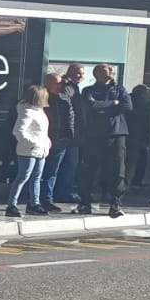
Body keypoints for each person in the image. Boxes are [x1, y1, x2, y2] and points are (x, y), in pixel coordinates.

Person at [76, 64, 132, 218]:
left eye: (112, 70)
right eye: (108, 70)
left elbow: (127, 106)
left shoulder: (119, 89)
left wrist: (102, 108)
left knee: (117, 170)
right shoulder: (88, 90)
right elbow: (90, 105)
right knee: (89, 170)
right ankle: (85, 202)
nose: (112, 72)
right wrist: (113, 104)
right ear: (98, 73)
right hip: (94, 136)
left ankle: (115, 203)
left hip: (116, 135)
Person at [7, 84, 52, 217]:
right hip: (29, 150)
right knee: (23, 177)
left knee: (36, 178)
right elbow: (18, 131)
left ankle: (34, 203)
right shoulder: (27, 111)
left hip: (40, 149)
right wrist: (32, 143)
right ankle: (11, 205)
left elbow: (41, 131)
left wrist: (46, 142)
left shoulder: (39, 111)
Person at [38, 72, 76, 212]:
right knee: (38, 171)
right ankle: (35, 198)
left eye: (61, 83)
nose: (60, 86)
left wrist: (69, 135)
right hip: (43, 139)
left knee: (52, 171)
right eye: (57, 83)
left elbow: (70, 116)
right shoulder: (40, 98)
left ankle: (47, 198)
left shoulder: (63, 99)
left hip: (60, 140)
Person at [54, 63, 87, 202]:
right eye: (78, 72)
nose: (80, 75)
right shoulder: (67, 87)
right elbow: (67, 109)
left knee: (69, 165)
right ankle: (60, 194)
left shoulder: (74, 87)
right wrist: (71, 131)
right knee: (65, 165)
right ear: (70, 72)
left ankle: (62, 192)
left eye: (82, 73)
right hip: (68, 135)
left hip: (73, 134)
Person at [127, 83, 150, 189]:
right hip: (137, 137)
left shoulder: (127, 99)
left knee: (127, 161)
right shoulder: (142, 104)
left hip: (126, 135)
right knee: (140, 161)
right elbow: (144, 123)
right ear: (144, 94)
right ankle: (135, 182)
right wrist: (146, 138)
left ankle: (125, 183)